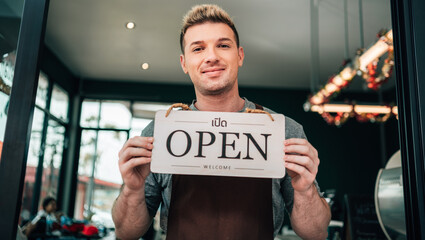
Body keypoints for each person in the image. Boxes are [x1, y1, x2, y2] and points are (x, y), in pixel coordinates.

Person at [112, 4, 331, 239]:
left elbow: (316, 233)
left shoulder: (283, 130)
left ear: (239, 56)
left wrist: (305, 190)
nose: (212, 57)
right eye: (198, 49)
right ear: (184, 63)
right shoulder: (160, 132)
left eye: (223, 45)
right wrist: (132, 190)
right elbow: (126, 233)